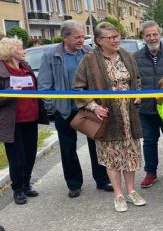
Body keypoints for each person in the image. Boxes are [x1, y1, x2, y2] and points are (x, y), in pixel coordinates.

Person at [73, 22, 146, 212]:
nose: (116, 40)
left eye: (117, 36)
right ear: (99, 41)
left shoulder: (127, 56)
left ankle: (131, 191)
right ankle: (118, 195)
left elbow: (137, 79)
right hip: (108, 117)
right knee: (112, 157)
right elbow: (78, 88)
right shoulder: (89, 60)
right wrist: (94, 107)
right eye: (111, 37)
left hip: (129, 115)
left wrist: (137, 94)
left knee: (131, 155)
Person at [38, 20, 112, 198]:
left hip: (89, 107)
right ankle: (74, 184)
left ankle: (102, 180)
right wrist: (53, 106)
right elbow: (44, 86)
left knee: (97, 143)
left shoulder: (88, 52)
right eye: (77, 37)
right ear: (65, 37)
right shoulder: (51, 56)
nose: (81, 40)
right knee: (68, 148)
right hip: (65, 109)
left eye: (82, 36)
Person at [0, 36, 48, 205]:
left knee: (30, 154)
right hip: (13, 121)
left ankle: (27, 184)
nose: (24, 51)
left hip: (31, 117)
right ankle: (18, 189)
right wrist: (10, 91)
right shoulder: (1, 70)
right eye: (20, 48)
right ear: (11, 51)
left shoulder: (25, 67)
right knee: (17, 157)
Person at [134, 21, 163, 189]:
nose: (152, 37)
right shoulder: (136, 57)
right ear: (143, 37)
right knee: (149, 141)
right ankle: (150, 172)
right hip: (146, 108)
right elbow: (132, 81)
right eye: (148, 35)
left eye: (154, 34)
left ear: (159, 34)